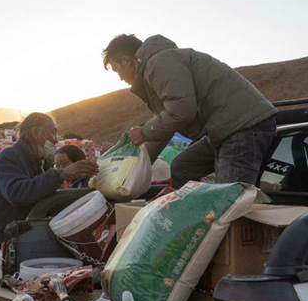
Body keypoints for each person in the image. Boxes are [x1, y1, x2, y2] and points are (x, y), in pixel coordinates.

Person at [103, 34, 278, 188]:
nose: (119, 77)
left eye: (116, 69)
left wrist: (144, 132)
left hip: (242, 127)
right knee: (182, 167)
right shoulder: (157, 66)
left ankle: (222, 222)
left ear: (126, 61)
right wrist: (134, 166)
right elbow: (167, 125)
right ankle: (192, 216)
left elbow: (182, 111)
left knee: (228, 200)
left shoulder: (160, 62)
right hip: (223, 129)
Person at [0, 113, 98, 247]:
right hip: (0, 244)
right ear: (35, 133)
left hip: (19, 239)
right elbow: (17, 193)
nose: (55, 140)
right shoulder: (9, 157)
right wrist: (61, 175)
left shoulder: (38, 161)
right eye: (52, 132)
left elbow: (42, 196)